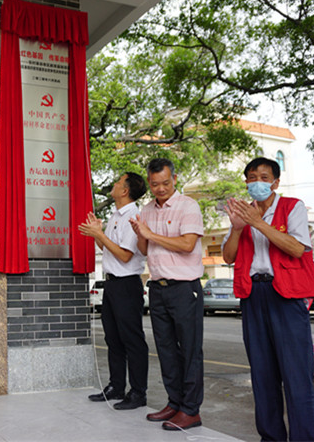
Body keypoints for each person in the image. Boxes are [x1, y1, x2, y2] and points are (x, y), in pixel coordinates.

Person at [222, 157, 314, 441]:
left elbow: (298, 248)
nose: (257, 183)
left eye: (264, 177)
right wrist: (239, 227)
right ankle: (271, 437)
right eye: (252, 177)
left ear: (276, 182)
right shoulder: (243, 212)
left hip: (286, 296)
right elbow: (229, 257)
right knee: (263, 376)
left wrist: (258, 224)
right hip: (254, 295)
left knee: (296, 376)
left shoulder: (292, 207)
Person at [129, 158, 204, 431]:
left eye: (165, 183)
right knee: (167, 351)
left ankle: (191, 410)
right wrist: (140, 233)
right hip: (157, 288)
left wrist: (151, 233)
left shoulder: (188, 206)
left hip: (184, 289)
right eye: (155, 184)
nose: (160, 188)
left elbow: (187, 244)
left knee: (190, 351)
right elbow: (146, 249)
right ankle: (175, 403)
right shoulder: (147, 210)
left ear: (174, 178)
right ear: (149, 182)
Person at [79, 173, 148, 410]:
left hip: (127, 284)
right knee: (113, 338)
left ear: (126, 191)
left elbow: (125, 255)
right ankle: (116, 386)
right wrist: (98, 233)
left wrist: (99, 235)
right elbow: (109, 250)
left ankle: (138, 392)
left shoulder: (133, 216)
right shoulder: (116, 215)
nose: (115, 184)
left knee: (132, 340)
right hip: (111, 284)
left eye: (119, 182)